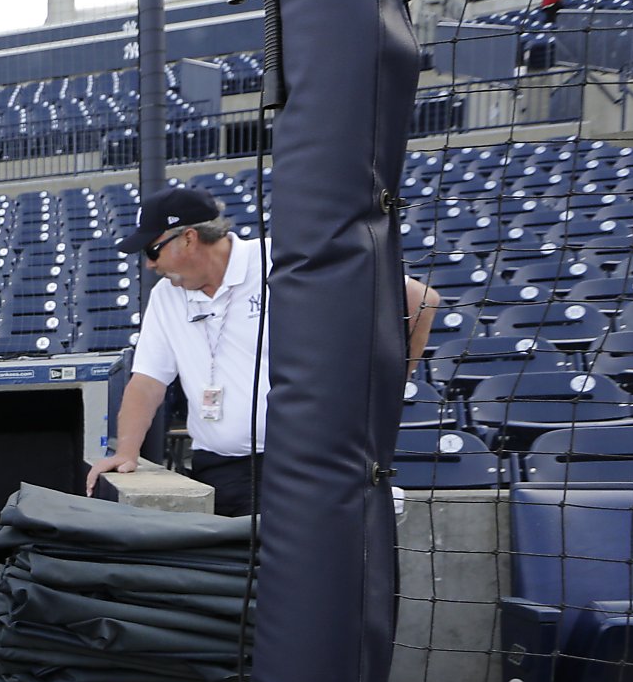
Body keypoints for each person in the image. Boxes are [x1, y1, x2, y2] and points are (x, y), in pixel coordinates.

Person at [85, 185, 435, 516]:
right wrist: (127, 453)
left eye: (152, 250)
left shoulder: (281, 260)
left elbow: (418, 299)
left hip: (302, 465)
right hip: (219, 468)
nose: (149, 264)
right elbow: (147, 381)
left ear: (188, 238)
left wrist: (383, 393)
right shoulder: (166, 295)